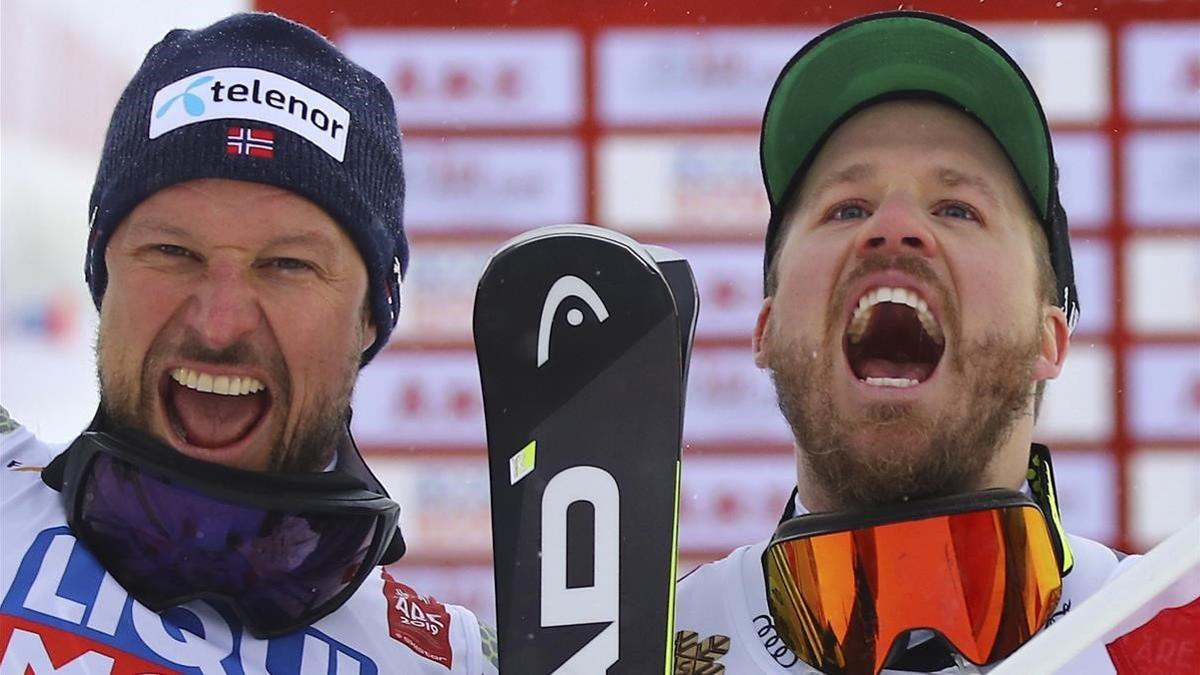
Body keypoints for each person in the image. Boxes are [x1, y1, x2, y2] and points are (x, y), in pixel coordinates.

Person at [0, 13, 498, 674]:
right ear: (102, 270)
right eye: (172, 251)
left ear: (370, 316)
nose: (219, 323)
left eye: (288, 265)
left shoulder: (454, 661)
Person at [673, 11, 1144, 674]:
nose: (894, 226)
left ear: (1051, 338)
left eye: (957, 208)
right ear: (767, 330)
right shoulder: (619, 655)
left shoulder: (1169, 637)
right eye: (847, 208)